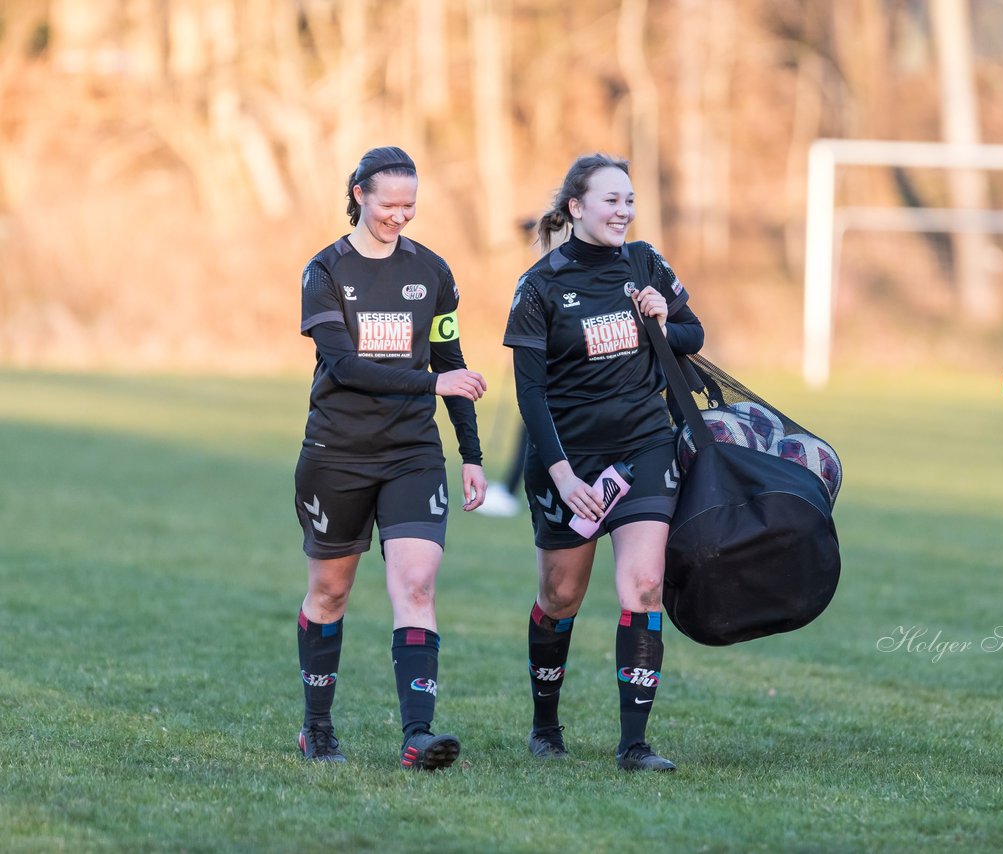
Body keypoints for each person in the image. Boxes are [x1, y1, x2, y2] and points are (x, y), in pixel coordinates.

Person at [503, 153, 704, 772]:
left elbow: (694, 336)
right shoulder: (540, 285)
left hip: (644, 445)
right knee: (561, 596)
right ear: (576, 208)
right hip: (569, 462)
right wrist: (562, 476)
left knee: (644, 586)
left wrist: (664, 320)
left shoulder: (645, 264)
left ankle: (634, 744)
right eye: (611, 200)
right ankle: (545, 724)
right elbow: (530, 393)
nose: (624, 211)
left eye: (629, 200)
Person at [291, 146, 489, 771]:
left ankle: (418, 735)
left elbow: (451, 365)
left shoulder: (433, 273)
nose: (400, 216)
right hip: (338, 453)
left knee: (417, 584)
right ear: (359, 195)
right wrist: (430, 385)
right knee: (329, 592)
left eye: (410, 206)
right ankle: (317, 729)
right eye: (389, 204)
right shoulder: (323, 271)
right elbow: (344, 367)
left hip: (412, 454)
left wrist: (472, 454)